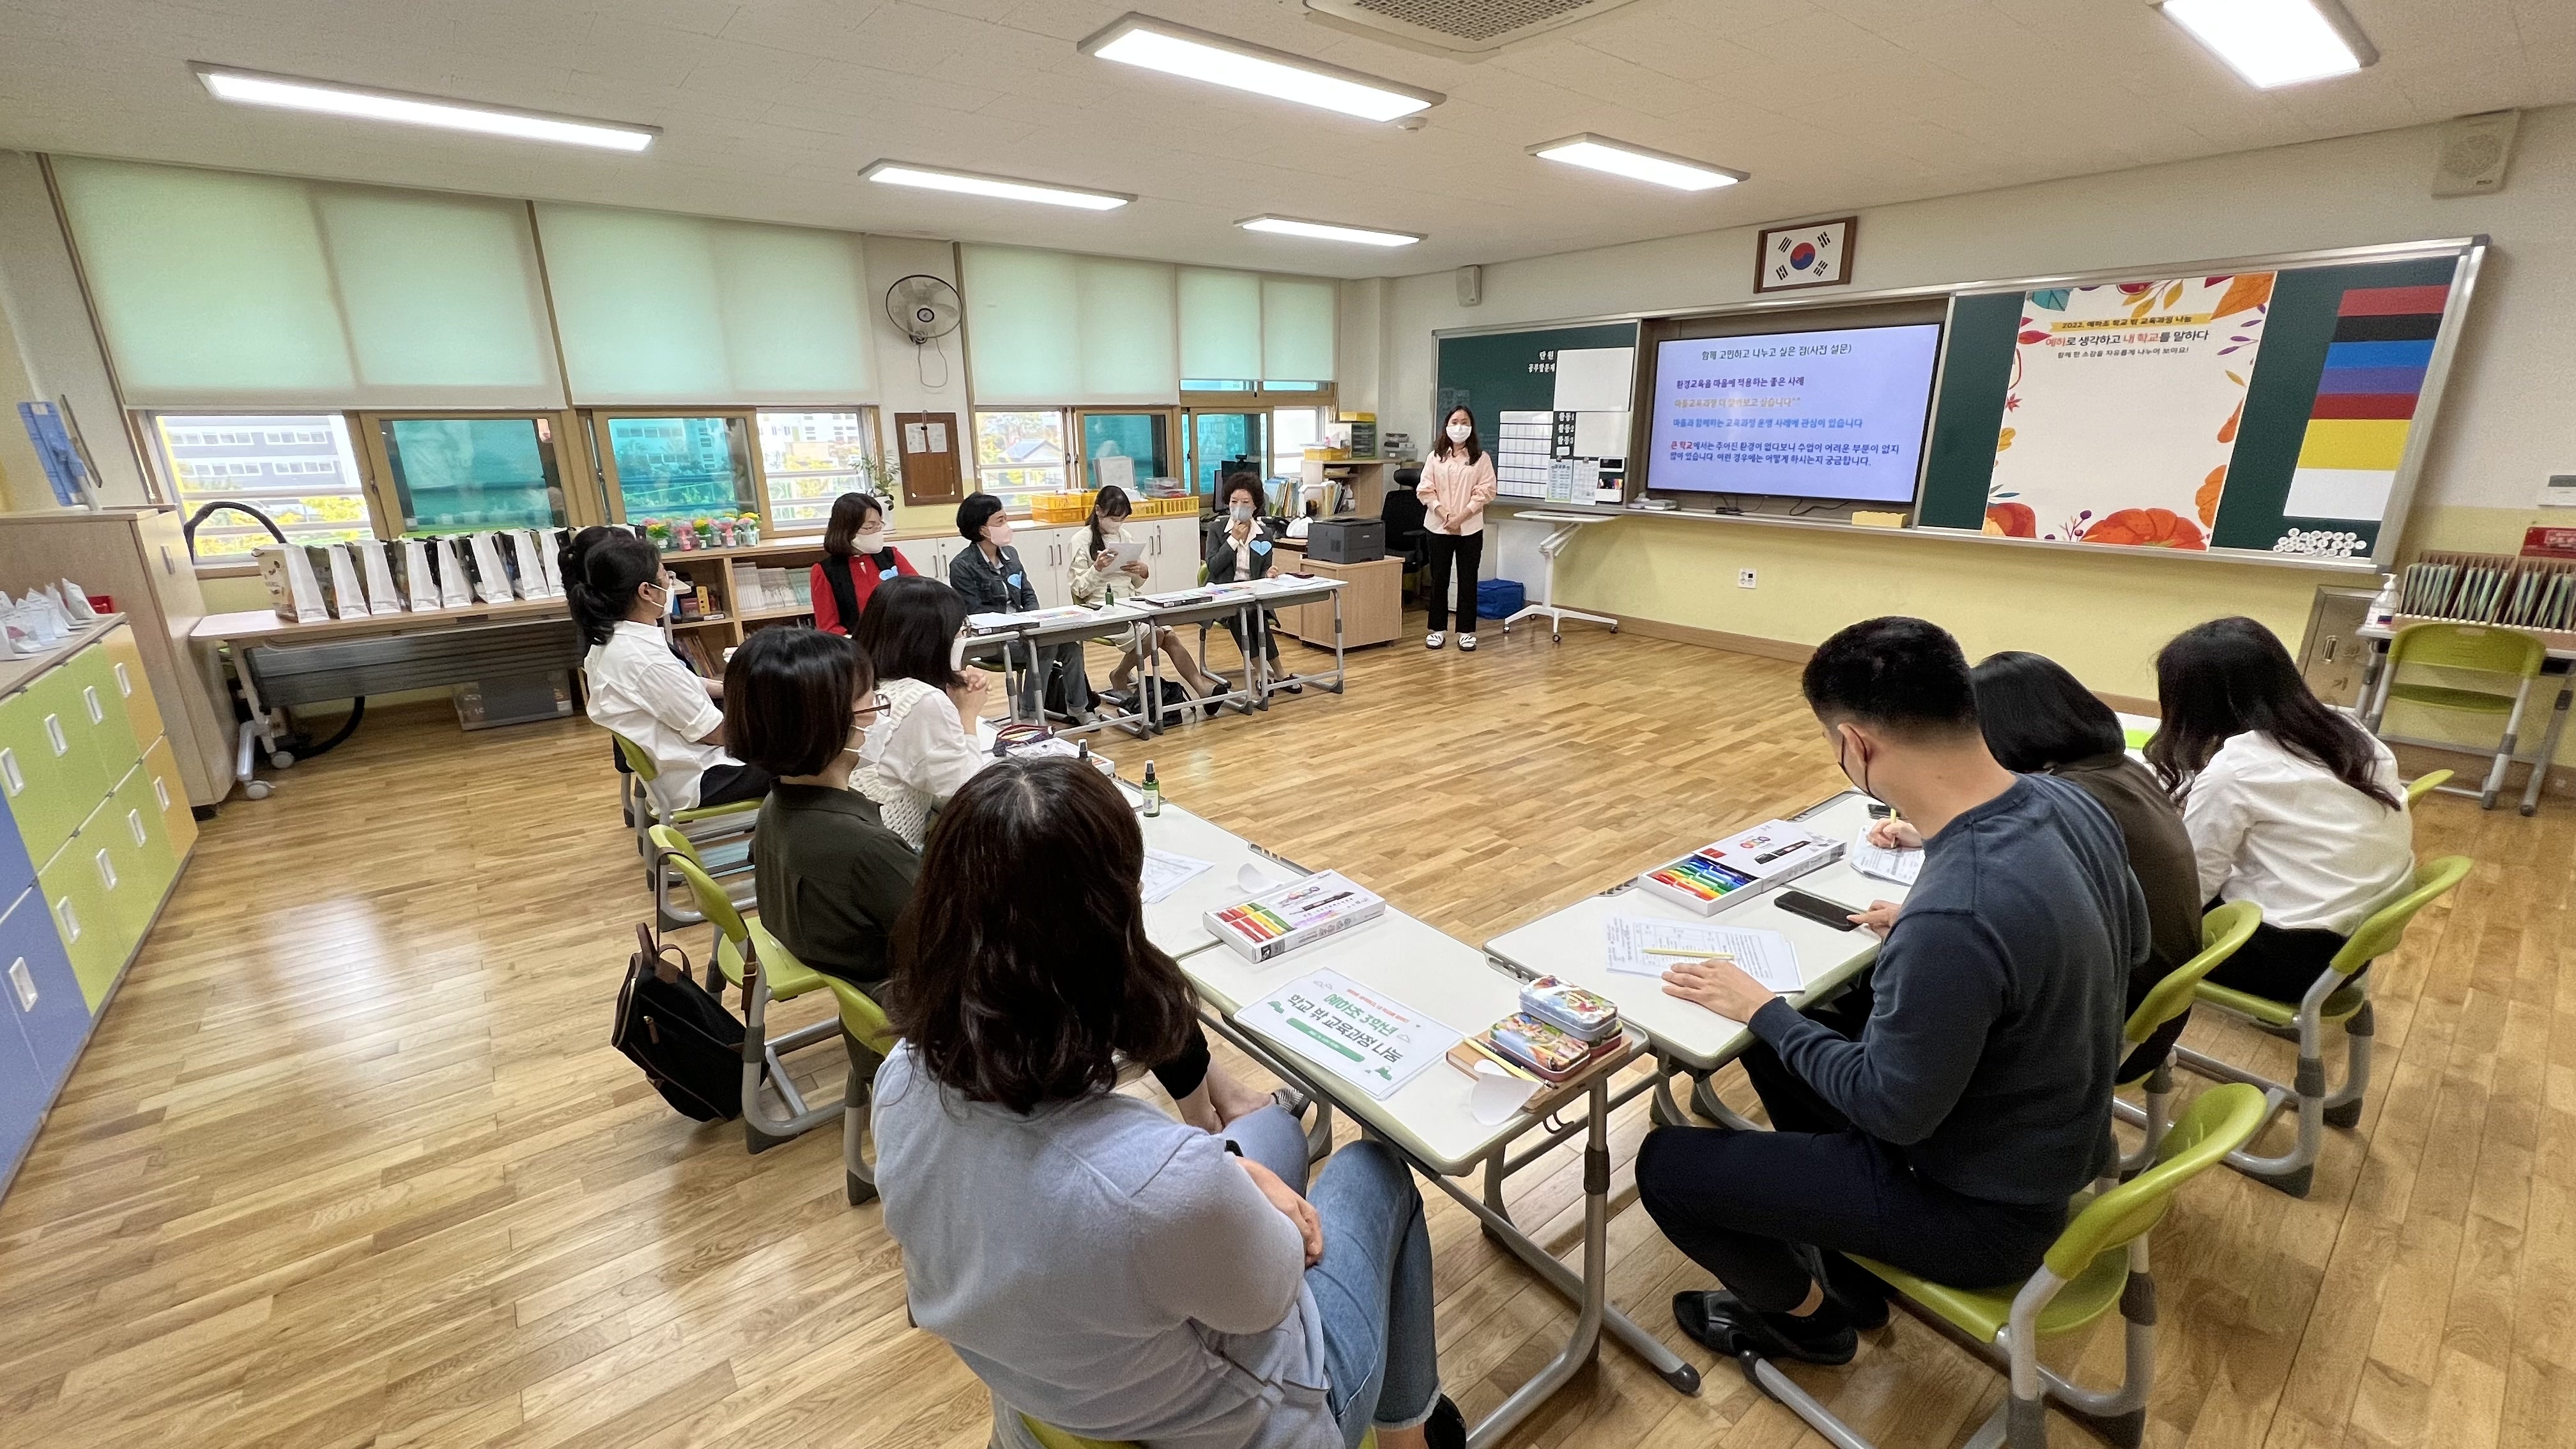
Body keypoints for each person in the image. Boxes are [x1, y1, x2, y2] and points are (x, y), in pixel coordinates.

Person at [874, 757, 1464, 1449]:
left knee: (1272, 1126)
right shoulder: (1159, 1184)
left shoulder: (903, 1080)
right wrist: (1241, 1194)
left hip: (1048, 1399)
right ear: (1116, 931)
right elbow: (1272, 1293)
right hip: (1252, 1421)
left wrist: (1237, 1176)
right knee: (1379, 1173)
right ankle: (1409, 1436)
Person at [1636, 617, 2144, 1367]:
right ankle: (1845, 1251)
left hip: (1976, 1211)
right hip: (2051, 1146)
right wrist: (1951, 953)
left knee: (1668, 1165)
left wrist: (1759, 1007)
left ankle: (1812, 1325)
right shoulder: (2067, 803)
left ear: (1856, 745)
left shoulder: (1959, 910)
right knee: (1794, 1037)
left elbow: (1890, 1110)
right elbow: (2127, 942)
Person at [1949, 650, 2205, 1080]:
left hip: (2107, 1031)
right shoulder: (2120, 769)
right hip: (2156, 1014)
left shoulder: (2064, 802)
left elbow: (2007, 930)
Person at [2147, 617, 2414, 1003]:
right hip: (2352, 944)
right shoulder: (2350, 733)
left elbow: (2191, 887)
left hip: (2289, 958)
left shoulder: (2236, 770)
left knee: (2121, 915)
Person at [725, 624, 916, 992]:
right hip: (902, 1004)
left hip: (843, 970)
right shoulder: (867, 848)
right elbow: (956, 939)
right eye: (868, 703)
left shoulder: (776, 804)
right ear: (827, 725)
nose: (877, 715)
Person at [567, 526, 770, 809]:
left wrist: (738, 690)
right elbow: (714, 733)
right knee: (815, 752)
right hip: (702, 774)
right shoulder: (643, 659)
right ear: (646, 591)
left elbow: (683, 684)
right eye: (666, 577)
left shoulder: (615, 638)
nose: (671, 583)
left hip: (683, 761)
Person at [851, 574, 990, 852]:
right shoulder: (921, 700)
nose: (961, 638)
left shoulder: (859, 680)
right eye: (960, 630)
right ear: (931, 640)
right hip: (896, 852)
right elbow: (965, 791)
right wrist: (967, 715)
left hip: (859, 839)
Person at [1070, 484, 1223, 705]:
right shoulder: (1081, 540)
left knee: (1168, 635)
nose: (1117, 524)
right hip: (1100, 607)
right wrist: (1097, 568)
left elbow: (1135, 583)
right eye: (1113, 517)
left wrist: (1143, 572)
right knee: (1156, 634)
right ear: (1098, 511)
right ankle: (1120, 674)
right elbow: (1078, 589)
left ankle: (1203, 690)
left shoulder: (1125, 536)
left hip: (1130, 601)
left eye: (1121, 519)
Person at [949, 493, 1092, 725]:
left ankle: (1078, 707)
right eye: (1000, 521)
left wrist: (1034, 618)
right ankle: (1029, 714)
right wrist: (1019, 628)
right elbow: (975, 613)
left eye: (1005, 519)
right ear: (982, 530)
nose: (1006, 526)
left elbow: (1028, 593)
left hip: (1025, 631)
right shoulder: (962, 565)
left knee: (1070, 646)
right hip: (994, 638)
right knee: (1045, 646)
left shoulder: (1011, 555)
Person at [1206, 471, 1296, 694]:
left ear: (1255, 506)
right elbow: (1213, 567)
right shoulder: (1217, 530)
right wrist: (1233, 540)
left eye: (1245, 503)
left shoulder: (1264, 533)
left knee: (1256, 615)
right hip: (1223, 595)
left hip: (1253, 594)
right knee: (1241, 615)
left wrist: (1269, 573)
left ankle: (1280, 673)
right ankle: (1260, 673)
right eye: (1234, 502)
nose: (1239, 507)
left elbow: (1264, 567)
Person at [1416, 405, 1496, 652]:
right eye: (1454, 421)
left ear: (1471, 427)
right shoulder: (1435, 457)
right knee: (1439, 579)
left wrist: (1460, 517)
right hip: (1438, 526)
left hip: (1469, 527)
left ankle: (1466, 632)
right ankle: (1437, 630)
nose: (1459, 426)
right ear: (1447, 426)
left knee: (1468, 579)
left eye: (1464, 421)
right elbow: (1425, 490)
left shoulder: (1481, 458)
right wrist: (1445, 515)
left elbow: (1486, 491)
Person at [809, 491, 916, 637]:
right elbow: (828, 626)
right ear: (848, 531)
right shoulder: (825, 571)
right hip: (857, 647)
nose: (877, 532)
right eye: (870, 527)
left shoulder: (892, 556)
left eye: (879, 525)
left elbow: (919, 594)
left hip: (901, 639)